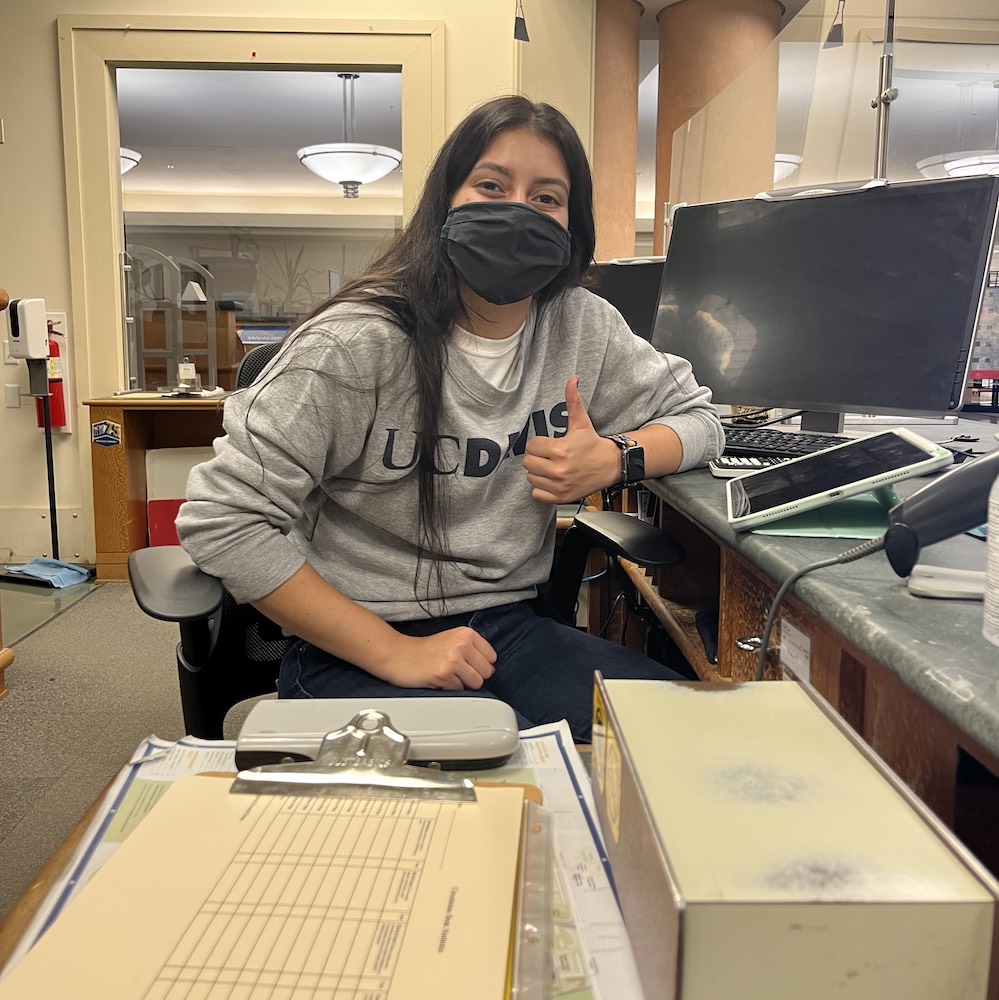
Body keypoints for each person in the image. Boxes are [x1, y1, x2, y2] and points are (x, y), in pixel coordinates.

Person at [176, 94, 725, 742]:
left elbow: (699, 419)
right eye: (491, 185)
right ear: (444, 203)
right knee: (515, 784)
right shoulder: (353, 345)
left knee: (689, 737)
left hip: (508, 628)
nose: (518, 211)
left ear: (572, 226)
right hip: (352, 646)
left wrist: (616, 457)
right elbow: (222, 520)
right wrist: (392, 651)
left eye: (546, 197)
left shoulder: (582, 326)